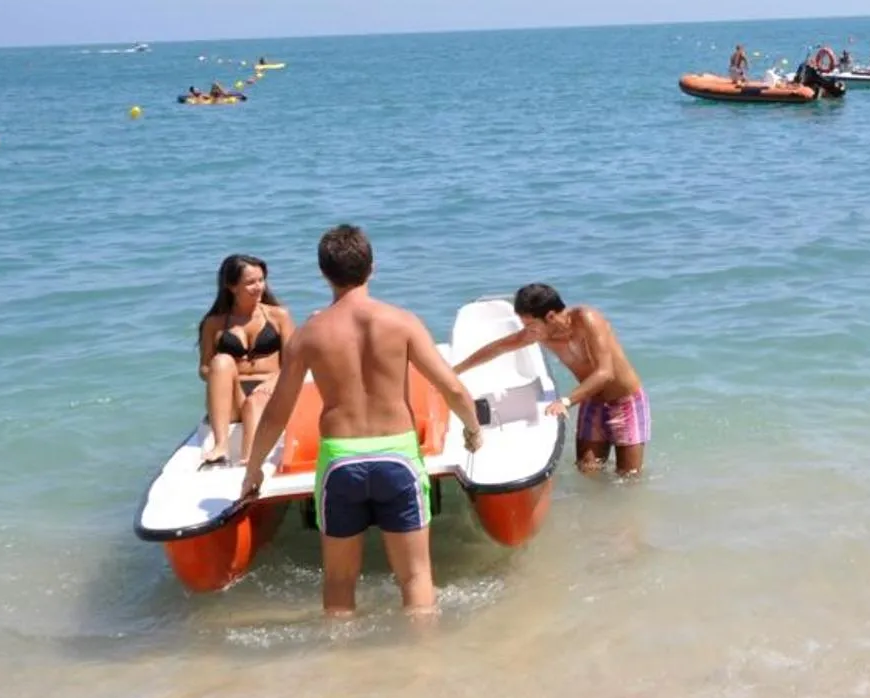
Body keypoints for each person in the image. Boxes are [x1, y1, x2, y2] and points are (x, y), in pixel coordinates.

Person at [242, 226, 484, 617]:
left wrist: (252, 470)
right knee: (416, 577)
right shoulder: (401, 322)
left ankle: (340, 671)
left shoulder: (308, 335)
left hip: (340, 462)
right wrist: (473, 429)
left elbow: (276, 412)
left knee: (339, 583)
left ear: (323, 274)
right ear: (371, 268)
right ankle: (425, 670)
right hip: (398, 458)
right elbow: (452, 388)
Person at [455, 283, 649, 477]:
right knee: (587, 470)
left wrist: (565, 401)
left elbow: (606, 373)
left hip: (626, 401)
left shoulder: (587, 319)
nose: (528, 331)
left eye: (530, 325)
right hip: (592, 400)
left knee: (628, 477)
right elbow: (497, 348)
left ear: (550, 317)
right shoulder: (542, 333)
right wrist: (454, 371)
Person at [196, 254, 294, 464]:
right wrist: (216, 370)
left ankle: (249, 461)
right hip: (232, 396)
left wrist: (272, 382)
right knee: (221, 360)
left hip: (268, 391)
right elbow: (203, 368)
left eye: (261, 280)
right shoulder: (214, 323)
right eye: (250, 282)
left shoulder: (279, 316)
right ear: (232, 286)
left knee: (254, 403)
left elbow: (292, 364)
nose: (258, 287)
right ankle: (221, 445)